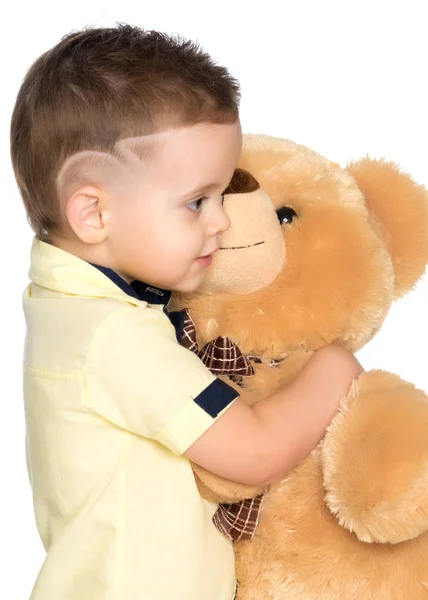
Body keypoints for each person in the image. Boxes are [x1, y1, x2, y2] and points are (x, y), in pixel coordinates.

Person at [11, 24, 363, 600]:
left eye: (223, 195)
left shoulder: (76, 309)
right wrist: (334, 369)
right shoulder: (114, 336)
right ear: (94, 215)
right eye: (197, 201)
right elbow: (254, 451)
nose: (221, 221)